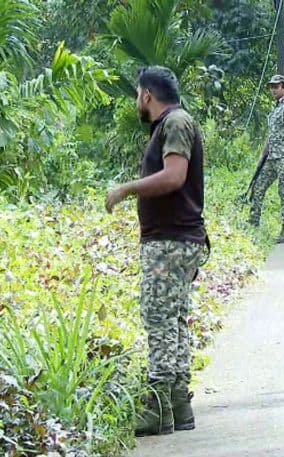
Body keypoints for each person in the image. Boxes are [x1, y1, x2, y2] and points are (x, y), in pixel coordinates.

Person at [104, 66, 207, 436]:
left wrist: (126, 189)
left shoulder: (175, 123)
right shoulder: (174, 123)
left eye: (137, 95)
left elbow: (175, 175)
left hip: (170, 242)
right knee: (174, 320)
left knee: (161, 320)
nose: (137, 101)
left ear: (147, 95)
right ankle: (180, 403)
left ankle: (159, 407)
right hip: (178, 239)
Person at [248, 74, 284, 243]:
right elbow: (271, 135)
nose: (273, 89)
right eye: (272, 86)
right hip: (272, 157)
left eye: (277, 86)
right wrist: (263, 155)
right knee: (257, 187)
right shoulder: (275, 109)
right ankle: (253, 223)